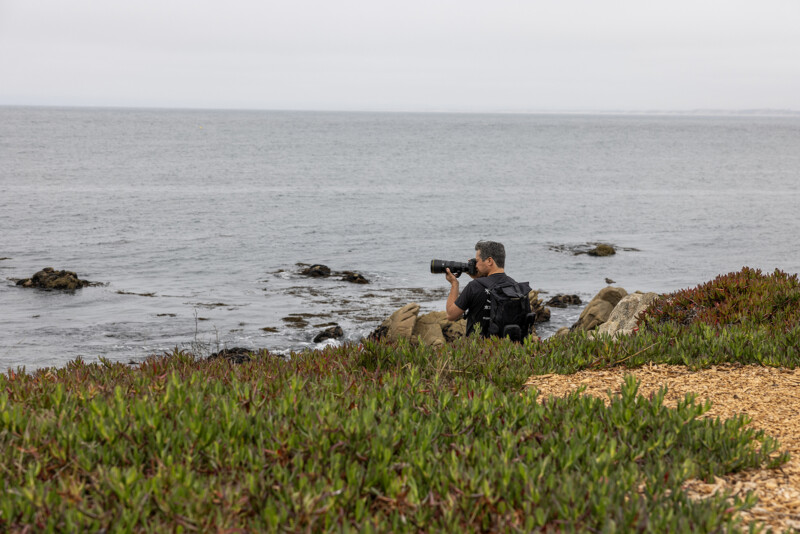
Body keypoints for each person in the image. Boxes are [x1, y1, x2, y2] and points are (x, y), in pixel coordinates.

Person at [445, 240, 523, 337]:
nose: (475, 265)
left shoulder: (474, 287)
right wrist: (478, 279)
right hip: (508, 348)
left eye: (477, 261)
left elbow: (451, 315)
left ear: (489, 261)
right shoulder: (516, 287)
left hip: (481, 350)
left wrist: (454, 284)